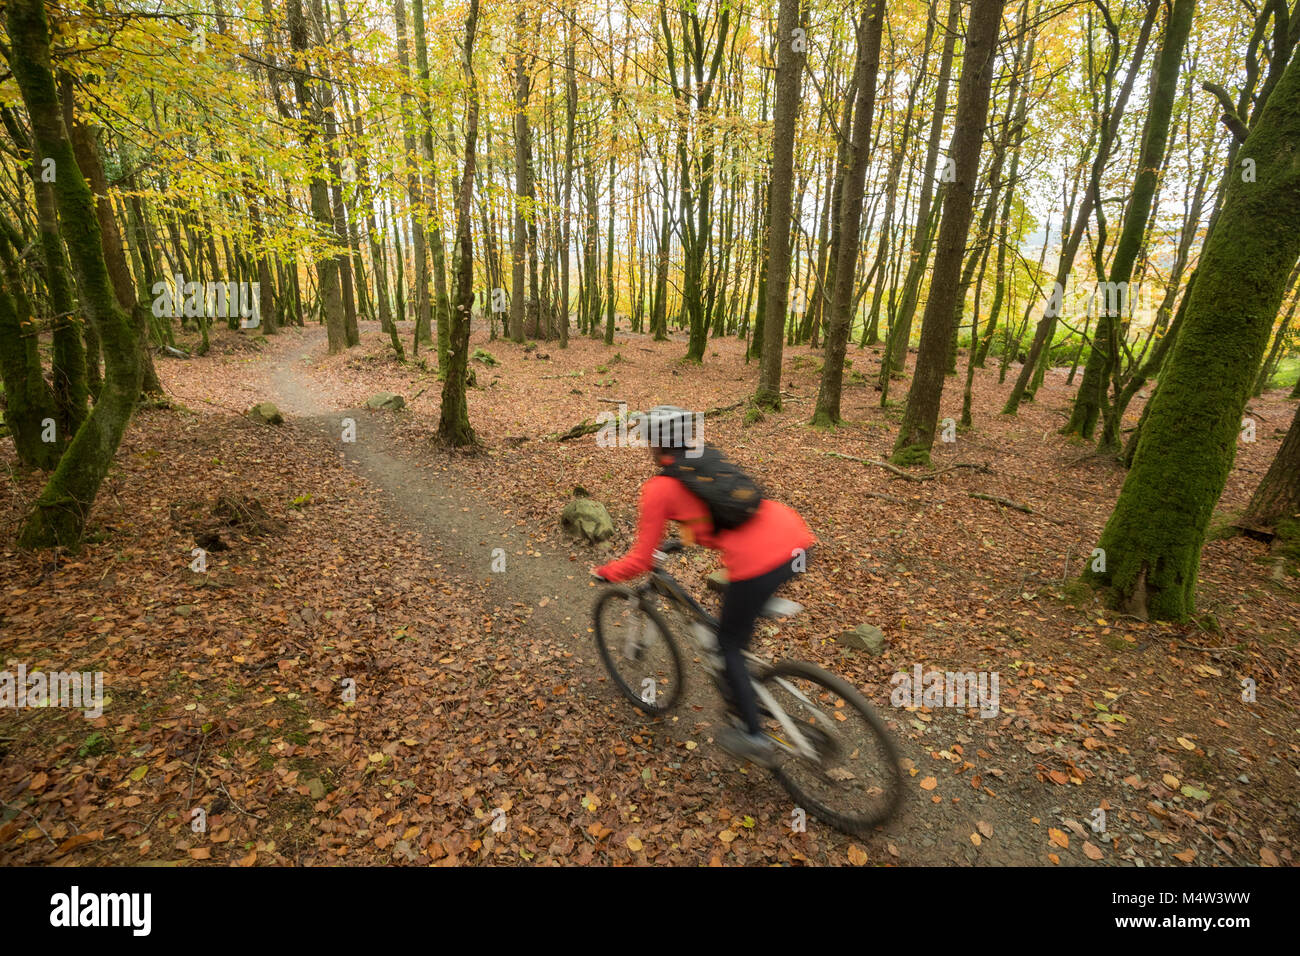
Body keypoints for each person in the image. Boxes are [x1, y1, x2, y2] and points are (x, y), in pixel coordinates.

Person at [591, 406, 816, 767]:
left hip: (758, 561)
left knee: (728, 646)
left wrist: (607, 572)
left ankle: (754, 736)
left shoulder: (659, 488)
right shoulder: (705, 458)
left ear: (654, 444)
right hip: (795, 539)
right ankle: (748, 666)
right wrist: (683, 540)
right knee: (731, 610)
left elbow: (641, 562)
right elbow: (713, 510)